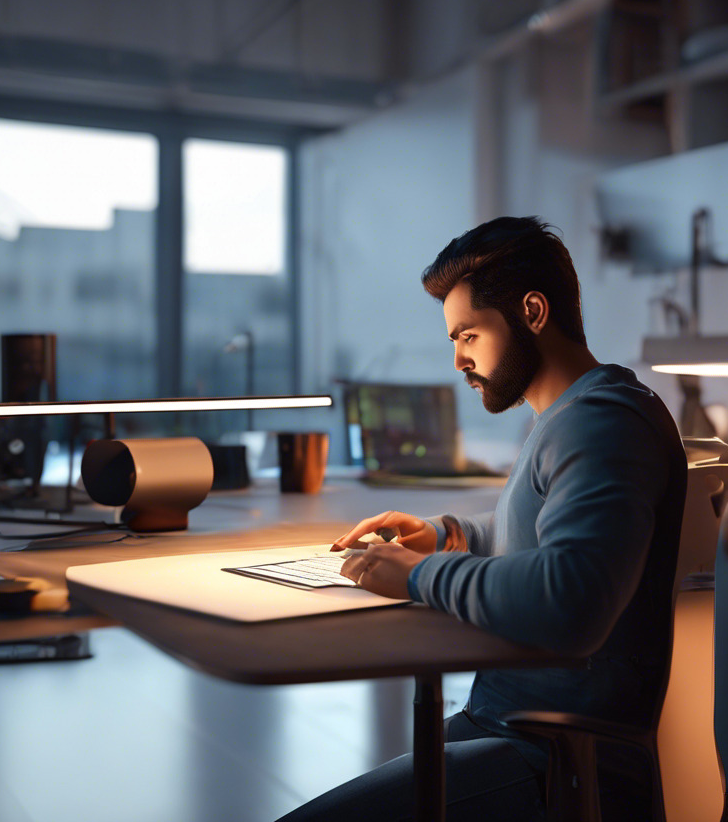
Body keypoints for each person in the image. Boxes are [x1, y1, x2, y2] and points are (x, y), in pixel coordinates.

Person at [278, 216, 687, 821]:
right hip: (512, 724)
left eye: (468, 334)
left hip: (558, 762)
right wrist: (450, 535)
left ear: (532, 312)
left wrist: (419, 577)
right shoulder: (571, 415)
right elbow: (540, 531)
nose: (458, 360)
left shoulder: (602, 424)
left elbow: (570, 599)